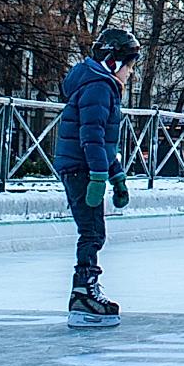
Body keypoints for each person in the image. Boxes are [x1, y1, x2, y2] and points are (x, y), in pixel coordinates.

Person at [55, 26, 141, 327]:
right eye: (129, 66)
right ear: (112, 62)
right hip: (79, 166)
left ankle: (85, 290)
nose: (131, 74)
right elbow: (90, 136)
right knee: (92, 231)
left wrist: (116, 176)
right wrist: (96, 175)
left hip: (83, 165)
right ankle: (83, 294)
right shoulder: (98, 87)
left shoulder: (101, 85)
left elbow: (106, 143)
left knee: (93, 230)